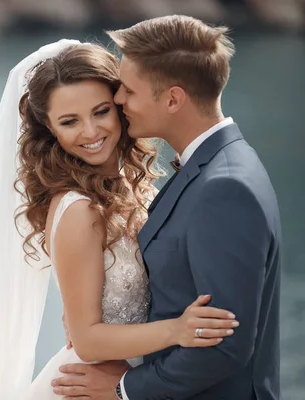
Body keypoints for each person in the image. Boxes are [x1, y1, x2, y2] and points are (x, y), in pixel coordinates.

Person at [0, 39, 237, 400]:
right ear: (49, 130)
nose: (90, 132)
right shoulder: (78, 209)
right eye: (69, 121)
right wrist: (177, 331)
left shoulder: (130, 182)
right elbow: (86, 340)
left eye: (100, 111)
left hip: (134, 380)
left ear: (121, 104)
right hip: (93, 388)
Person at [52, 15, 282, 400]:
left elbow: (224, 344)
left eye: (128, 90)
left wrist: (124, 390)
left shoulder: (223, 187)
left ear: (173, 99)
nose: (119, 100)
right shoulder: (208, 165)